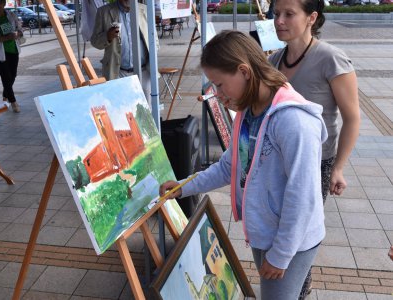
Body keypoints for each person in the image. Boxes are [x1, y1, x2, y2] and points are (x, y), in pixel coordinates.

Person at [160, 30, 327, 300]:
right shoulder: (248, 111)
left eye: (220, 84)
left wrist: (282, 254)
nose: (217, 94)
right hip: (266, 231)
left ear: (244, 71)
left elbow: (303, 195)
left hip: (291, 241)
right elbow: (230, 166)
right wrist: (183, 187)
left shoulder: (293, 122)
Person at [269, 0, 360, 297]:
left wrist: (339, 167)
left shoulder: (331, 59)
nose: (279, 20)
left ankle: (297, 292)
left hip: (316, 164)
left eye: (288, 14)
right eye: (276, 13)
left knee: (300, 236)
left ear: (312, 17)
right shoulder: (273, 61)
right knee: (281, 232)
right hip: (278, 164)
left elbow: (352, 118)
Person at [91, 0, 152, 104]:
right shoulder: (104, 11)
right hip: (118, 72)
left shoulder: (145, 10)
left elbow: (153, 38)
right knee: (120, 109)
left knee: (147, 111)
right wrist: (107, 36)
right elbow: (95, 41)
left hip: (144, 72)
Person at [0, 0, 23, 113]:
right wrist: (6, 37)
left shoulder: (11, 15)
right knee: (5, 77)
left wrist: (17, 34)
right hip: (0, 52)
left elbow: (20, 29)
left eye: (0, 2)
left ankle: (5, 94)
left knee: (13, 75)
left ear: (4, 3)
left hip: (13, 49)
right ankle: (13, 102)